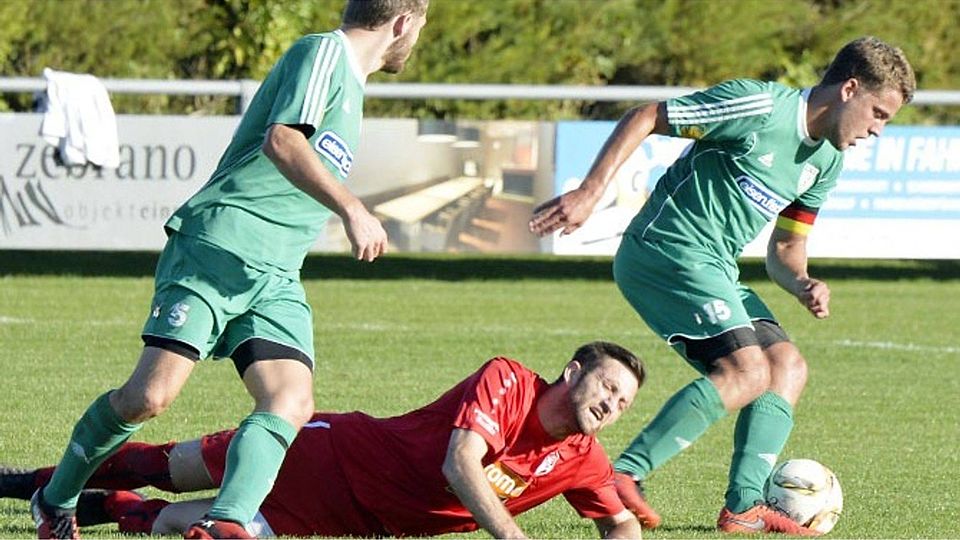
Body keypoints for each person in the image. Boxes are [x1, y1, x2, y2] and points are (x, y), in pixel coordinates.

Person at [31, 2, 430, 538]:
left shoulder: (353, 87)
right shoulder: (324, 54)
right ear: (404, 21)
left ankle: (225, 524)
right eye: (421, 27)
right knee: (149, 398)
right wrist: (352, 209)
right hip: (219, 246)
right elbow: (283, 140)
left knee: (290, 400)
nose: (417, 39)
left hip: (276, 275)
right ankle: (55, 498)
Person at [529, 37, 915, 535]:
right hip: (663, 250)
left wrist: (801, 282)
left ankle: (744, 506)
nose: (877, 130)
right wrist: (589, 190)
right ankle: (624, 473)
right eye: (878, 113)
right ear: (850, 88)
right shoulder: (759, 108)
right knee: (746, 369)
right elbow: (646, 115)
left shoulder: (827, 161)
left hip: (716, 267)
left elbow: (784, 251)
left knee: (787, 366)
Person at [6, 343, 646, 539]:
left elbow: (620, 522)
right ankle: (32, 482)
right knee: (163, 466)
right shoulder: (508, 380)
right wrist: (512, 536)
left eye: (622, 402)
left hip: (347, 516)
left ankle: (94, 508)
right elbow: (460, 463)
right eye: (607, 387)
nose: (611, 404)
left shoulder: (584, 459)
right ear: (573, 373)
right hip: (327, 453)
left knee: (174, 523)